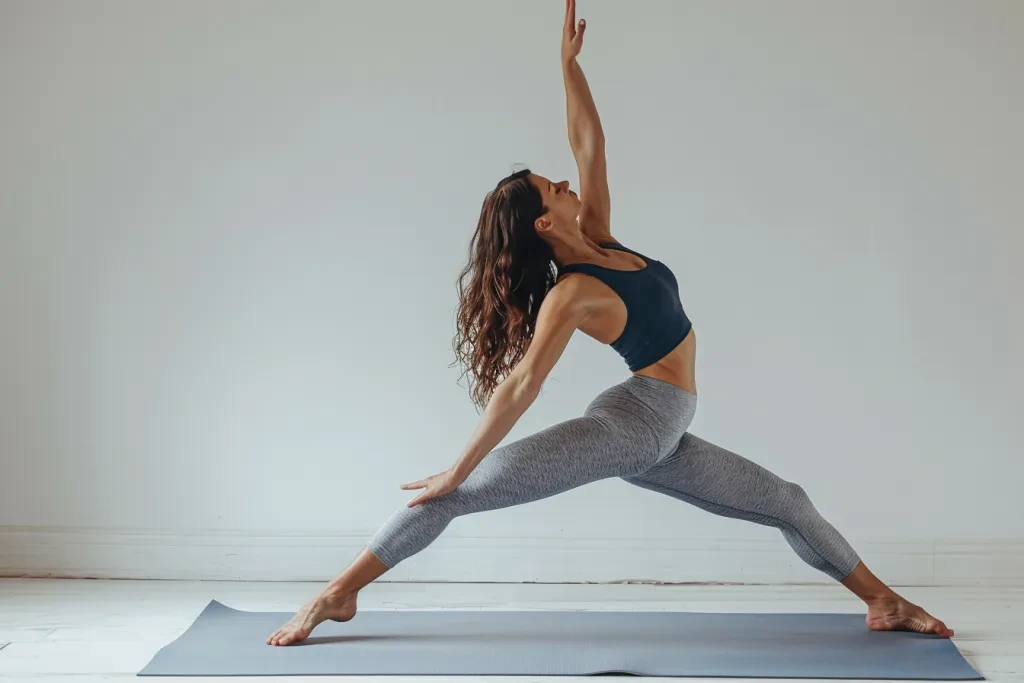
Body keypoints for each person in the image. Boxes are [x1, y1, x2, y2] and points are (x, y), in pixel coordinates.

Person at [267, 0, 951, 646]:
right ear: (544, 222)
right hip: (633, 427)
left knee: (789, 500)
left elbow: (590, 142)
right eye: (552, 188)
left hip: (658, 424)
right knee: (456, 494)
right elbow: (523, 383)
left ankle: (880, 599)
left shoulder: (598, 235)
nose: (567, 183)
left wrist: (568, 68)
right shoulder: (575, 293)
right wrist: (457, 464)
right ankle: (336, 592)